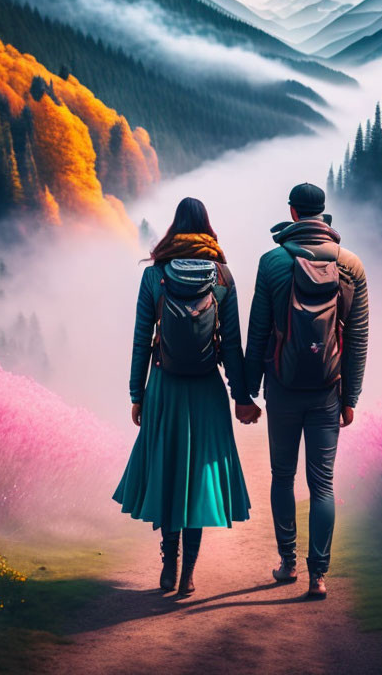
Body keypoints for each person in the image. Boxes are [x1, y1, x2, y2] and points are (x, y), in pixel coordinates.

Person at [113, 197, 261, 595]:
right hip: (206, 390)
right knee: (196, 479)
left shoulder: (154, 275)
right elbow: (232, 346)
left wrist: (136, 393)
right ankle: (189, 574)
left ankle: (168, 563)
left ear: (174, 229)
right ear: (207, 228)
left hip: (163, 386)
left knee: (168, 472)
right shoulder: (223, 276)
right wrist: (241, 396)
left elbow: (141, 340)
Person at [245, 182, 368, 599]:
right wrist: (350, 397)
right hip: (327, 391)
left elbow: (259, 331)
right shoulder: (351, 265)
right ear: (322, 213)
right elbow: (357, 337)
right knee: (323, 485)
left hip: (282, 388)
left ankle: (288, 563)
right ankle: (319, 575)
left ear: (293, 213)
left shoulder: (272, 262)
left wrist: (247, 391)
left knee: (283, 476)